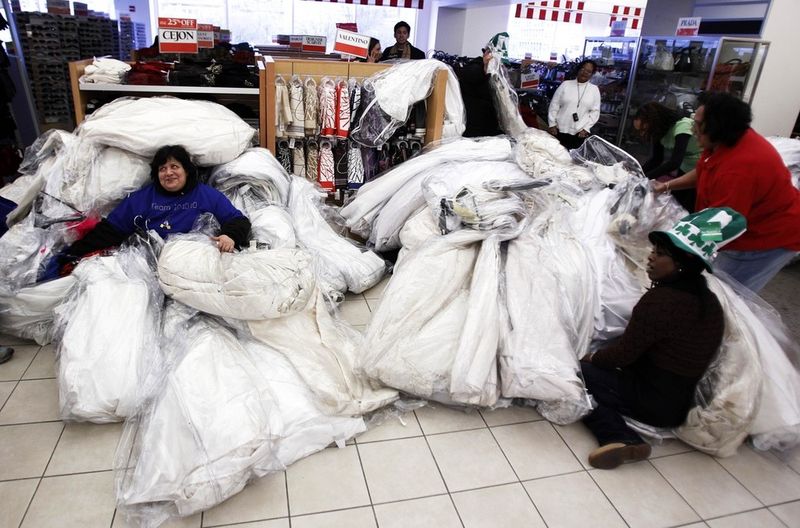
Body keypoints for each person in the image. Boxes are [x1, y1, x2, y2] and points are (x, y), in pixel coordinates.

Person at [581, 207, 745, 469]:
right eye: (654, 251)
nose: (650, 258)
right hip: (678, 402)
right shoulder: (708, 301)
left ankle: (618, 436)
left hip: (649, 402)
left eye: (660, 255)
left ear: (681, 265)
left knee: (579, 375)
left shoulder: (661, 301)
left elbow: (622, 355)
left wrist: (590, 357)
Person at [653, 92, 800, 292]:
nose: (691, 128)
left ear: (716, 127)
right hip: (742, 219)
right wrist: (666, 186)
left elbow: (724, 226)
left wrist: (682, 245)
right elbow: (705, 169)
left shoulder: (740, 169)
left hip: (767, 235)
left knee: (724, 292)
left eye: (697, 123)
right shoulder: (722, 140)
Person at [49, 145, 251, 277]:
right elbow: (110, 230)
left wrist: (230, 236)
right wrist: (73, 253)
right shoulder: (142, 199)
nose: (169, 172)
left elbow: (238, 221)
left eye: (175, 166)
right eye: (162, 168)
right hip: (150, 269)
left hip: (196, 268)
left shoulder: (206, 195)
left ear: (187, 170)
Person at [633, 102, 701, 212]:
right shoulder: (659, 132)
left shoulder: (682, 126)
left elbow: (674, 162)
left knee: (687, 208)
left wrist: (644, 179)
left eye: (643, 130)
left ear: (653, 123)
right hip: (686, 167)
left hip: (699, 170)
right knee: (676, 205)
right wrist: (638, 175)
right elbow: (656, 159)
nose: (642, 134)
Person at [453, 33, 509, 137]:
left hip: (486, 128)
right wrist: (485, 67)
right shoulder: (475, 68)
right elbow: (472, 76)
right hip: (474, 128)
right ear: (487, 54)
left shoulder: (493, 73)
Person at [547, 59, 601, 149]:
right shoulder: (565, 85)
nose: (584, 73)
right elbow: (554, 105)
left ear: (592, 74)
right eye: (583, 69)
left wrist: (586, 129)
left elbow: (595, 112)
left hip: (579, 133)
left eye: (588, 71)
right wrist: (552, 124)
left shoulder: (594, 89)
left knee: (572, 161)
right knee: (555, 157)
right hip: (559, 130)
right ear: (578, 69)